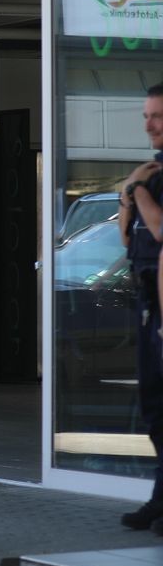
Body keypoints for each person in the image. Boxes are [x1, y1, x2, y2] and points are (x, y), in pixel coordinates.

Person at [117, 85, 163, 532]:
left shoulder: (153, 175)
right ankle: (159, 496)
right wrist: (128, 195)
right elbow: (129, 237)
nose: (148, 124)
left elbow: (160, 228)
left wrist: (139, 190)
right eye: (146, 115)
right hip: (147, 296)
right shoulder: (150, 170)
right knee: (153, 404)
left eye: (157, 116)